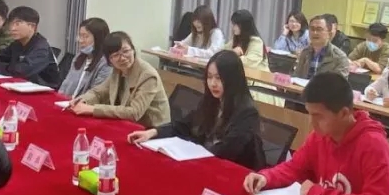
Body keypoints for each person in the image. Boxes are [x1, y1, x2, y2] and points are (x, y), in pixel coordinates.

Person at [243, 73, 389, 195]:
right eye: (310, 114)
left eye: (319, 116)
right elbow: (295, 167)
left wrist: (318, 194)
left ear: (344, 113)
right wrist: (267, 177)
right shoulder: (320, 136)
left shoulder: (373, 144)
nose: (312, 123)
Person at [128, 51, 265, 170]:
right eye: (209, 77)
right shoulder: (211, 101)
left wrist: (190, 153)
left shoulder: (247, 113)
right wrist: (153, 132)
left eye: (218, 78)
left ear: (233, 80)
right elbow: (183, 125)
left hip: (234, 172)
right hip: (205, 162)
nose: (213, 83)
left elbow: (226, 152)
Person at [72, 31, 171, 127]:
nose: (122, 58)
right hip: (127, 124)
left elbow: (134, 113)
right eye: (115, 55)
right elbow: (98, 92)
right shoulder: (118, 70)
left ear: (133, 50)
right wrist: (83, 100)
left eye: (126, 51)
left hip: (152, 130)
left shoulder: (147, 75)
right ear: (109, 60)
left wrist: (93, 109)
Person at [0, 6, 60, 87]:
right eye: (11, 24)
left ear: (32, 27)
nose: (12, 28)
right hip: (22, 85)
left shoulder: (41, 48)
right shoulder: (17, 43)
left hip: (44, 90)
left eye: (18, 24)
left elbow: (21, 71)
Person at [58, 17, 113, 99]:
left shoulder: (106, 63)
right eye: (80, 36)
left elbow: (96, 94)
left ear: (99, 39)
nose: (80, 40)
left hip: (85, 104)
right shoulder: (79, 56)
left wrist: (74, 102)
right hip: (66, 102)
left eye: (85, 36)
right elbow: (66, 83)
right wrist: (58, 98)